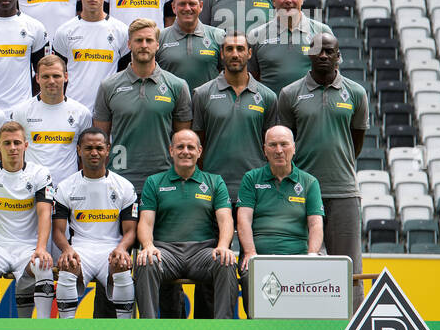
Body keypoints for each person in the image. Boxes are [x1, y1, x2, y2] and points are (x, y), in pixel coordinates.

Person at [274, 33, 368, 307]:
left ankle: (352, 327)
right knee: (302, 264)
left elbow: (355, 143)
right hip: (300, 192)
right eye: (318, 51)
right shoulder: (290, 94)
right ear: (309, 54)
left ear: (338, 55)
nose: (324, 55)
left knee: (349, 267)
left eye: (330, 51)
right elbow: (286, 142)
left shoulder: (356, 93)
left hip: (343, 191)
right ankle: (303, 323)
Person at [134, 130, 239, 319]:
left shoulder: (215, 181)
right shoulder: (154, 182)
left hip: (202, 253)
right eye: (180, 147)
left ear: (199, 151)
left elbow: (226, 219)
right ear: (171, 151)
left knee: (227, 262)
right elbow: (145, 222)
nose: (185, 151)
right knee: (145, 261)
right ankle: (147, 329)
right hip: (166, 253)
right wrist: (148, 246)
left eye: (191, 147)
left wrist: (223, 246)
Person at [92, 18, 193, 192]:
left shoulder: (177, 85)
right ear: (129, 44)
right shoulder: (108, 86)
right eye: (139, 40)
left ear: (157, 45)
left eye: (149, 40)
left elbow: (183, 138)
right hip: (120, 179)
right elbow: (100, 138)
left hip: (164, 180)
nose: (144, 45)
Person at [0, 121, 55, 319]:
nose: (13, 148)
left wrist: (41, 248)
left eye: (17, 143)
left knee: (44, 266)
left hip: (27, 247)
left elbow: (45, 213)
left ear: (26, 145)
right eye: (7, 143)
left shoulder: (40, 173)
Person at [52, 128, 138, 319]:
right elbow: (58, 231)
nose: (94, 152)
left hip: (111, 249)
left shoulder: (124, 186)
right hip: (81, 250)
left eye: (99, 148)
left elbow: (131, 231)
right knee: (68, 263)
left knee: (122, 263)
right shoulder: (66, 187)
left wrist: (123, 248)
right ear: (78, 150)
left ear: (108, 150)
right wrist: (66, 249)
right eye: (88, 148)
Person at [236, 126, 325, 308]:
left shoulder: (309, 182)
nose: (278, 150)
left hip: (297, 256)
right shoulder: (251, 178)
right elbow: (243, 219)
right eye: (273, 145)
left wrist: (312, 255)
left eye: (284, 144)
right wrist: (251, 253)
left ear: (294, 147)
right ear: (264, 150)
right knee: (248, 278)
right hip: (259, 255)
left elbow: (316, 224)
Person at [191, 32, 278, 209]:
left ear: (250, 53)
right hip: (213, 188)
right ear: (222, 54)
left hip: (255, 188)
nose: (235, 54)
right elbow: (198, 143)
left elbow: (271, 145)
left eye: (240, 49)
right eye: (229, 49)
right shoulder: (202, 94)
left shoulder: (268, 97)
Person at [47, 0, 130, 111]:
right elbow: (58, 75)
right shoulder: (64, 31)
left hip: (108, 109)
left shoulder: (121, 31)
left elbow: (125, 74)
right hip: (73, 109)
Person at [9, 53, 93, 189]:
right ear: (37, 78)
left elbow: (86, 155)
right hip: (31, 188)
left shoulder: (82, 113)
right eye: (45, 76)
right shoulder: (21, 112)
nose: (51, 81)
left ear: (66, 77)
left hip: (68, 189)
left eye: (56, 76)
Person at [248, 0, 335, 96]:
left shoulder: (322, 32)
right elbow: (251, 79)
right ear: (273, 0)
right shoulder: (256, 35)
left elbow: (333, 75)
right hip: (272, 112)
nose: (288, 0)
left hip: (310, 113)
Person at [157, 0, 225, 91]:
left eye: (192, 3)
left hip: (207, 106)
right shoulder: (159, 38)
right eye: (182, 4)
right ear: (173, 7)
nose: (187, 8)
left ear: (201, 6)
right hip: (172, 107)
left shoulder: (219, 36)